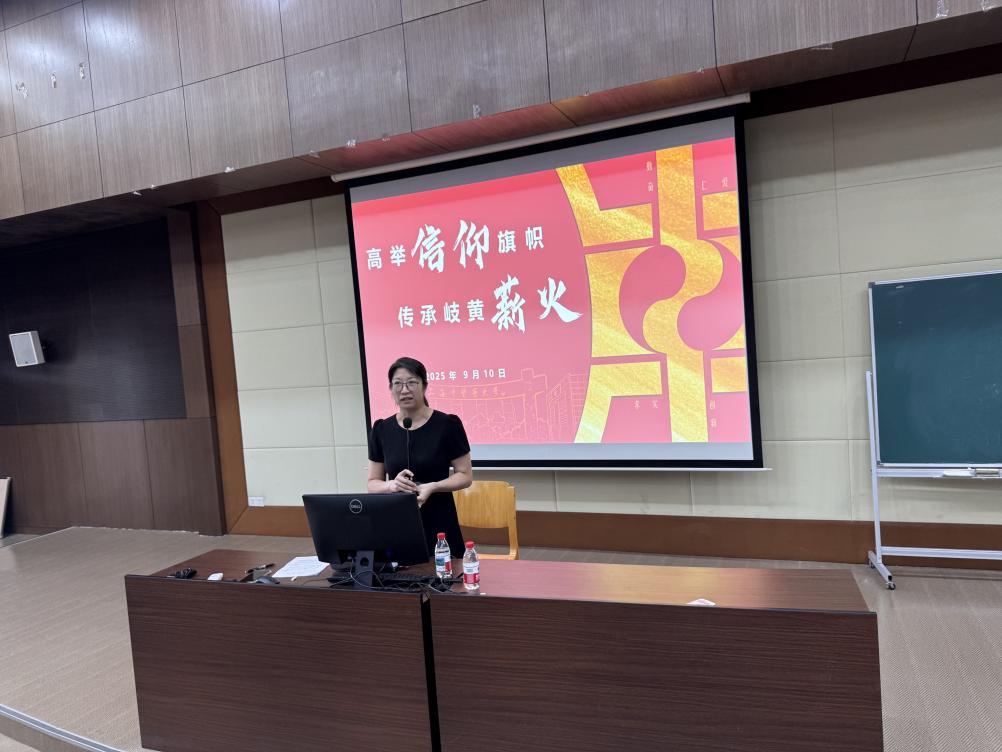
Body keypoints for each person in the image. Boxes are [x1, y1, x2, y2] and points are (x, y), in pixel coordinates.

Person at [367, 356, 473, 557]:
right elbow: (372, 483)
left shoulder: (447, 425)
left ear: (425, 386)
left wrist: (433, 486)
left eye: (411, 383)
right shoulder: (381, 429)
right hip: (397, 519)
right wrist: (391, 485)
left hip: (439, 518)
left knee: (444, 573)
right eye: (398, 384)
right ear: (390, 389)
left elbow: (465, 476)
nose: (404, 390)